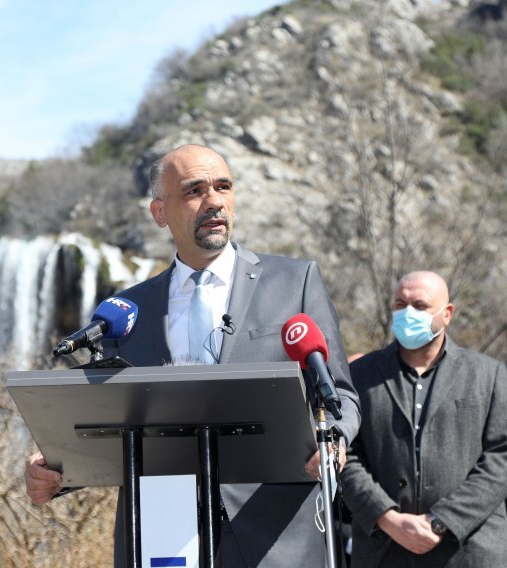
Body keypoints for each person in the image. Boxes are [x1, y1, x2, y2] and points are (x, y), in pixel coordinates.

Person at [25, 144, 361, 567]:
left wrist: (335, 440)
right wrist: (57, 473)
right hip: (162, 535)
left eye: (223, 186)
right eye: (194, 190)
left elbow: (342, 396)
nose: (215, 200)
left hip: (276, 534)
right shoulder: (124, 313)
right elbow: (112, 427)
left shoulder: (295, 282)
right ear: (160, 213)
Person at [341, 270, 507, 567]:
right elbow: (344, 454)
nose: (407, 313)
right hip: (384, 552)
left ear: (447, 314)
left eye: (419, 306)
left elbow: (500, 457)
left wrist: (442, 521)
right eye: (399, 304)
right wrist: (386, 517)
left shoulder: (489, 375)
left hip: (468, 552)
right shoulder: (359, 375)